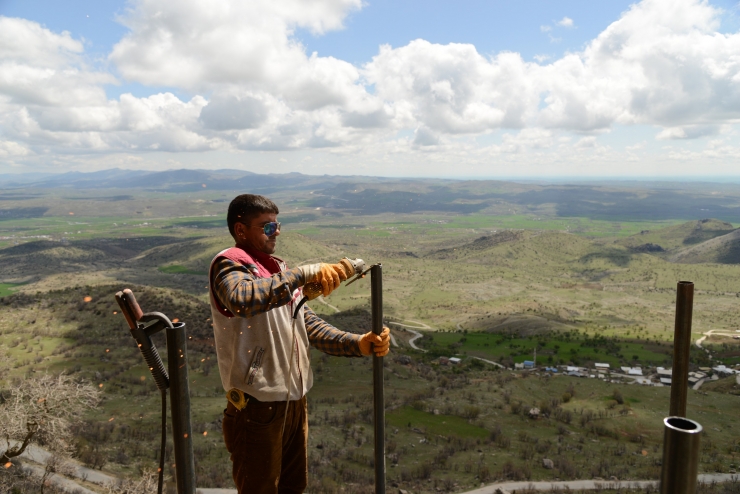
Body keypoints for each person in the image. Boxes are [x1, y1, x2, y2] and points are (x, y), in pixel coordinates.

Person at [209, 193, 391, 494]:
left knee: (294, 486)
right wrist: (304, 273)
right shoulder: (228, 264)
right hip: (257, 407)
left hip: (294, 401)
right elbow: (241, 299)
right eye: (267, 227)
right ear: (241, 231)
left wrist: (358, 343)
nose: (276, 232)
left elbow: (308, 326)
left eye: (277, 225)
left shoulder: (276, 272)